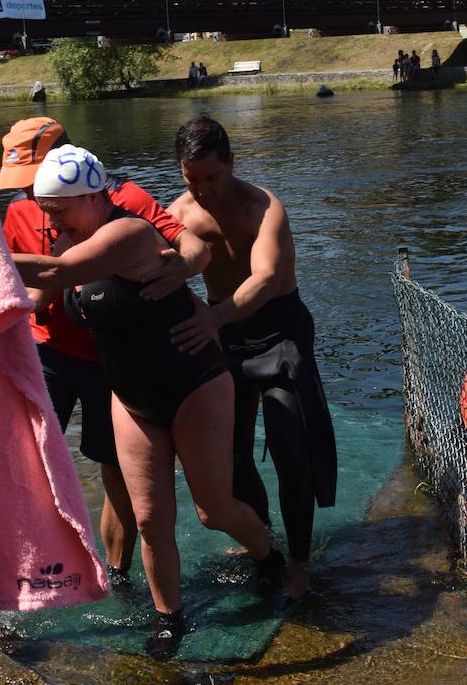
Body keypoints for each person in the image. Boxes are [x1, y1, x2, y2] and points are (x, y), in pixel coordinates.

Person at [14, 145, 283, 660]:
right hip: (131, 395)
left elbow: (52, 275)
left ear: (95, 197)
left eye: (59, 209)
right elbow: (33, 297)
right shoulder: (71, 239)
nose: (51, 221)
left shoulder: (128, 232)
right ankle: (171, 619)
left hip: (194, 381)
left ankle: (269, 555)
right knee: (149, 519)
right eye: (45, 210)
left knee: (212, 509)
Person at [0, 118, 210, 599]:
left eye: (35, 182)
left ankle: (118, 576)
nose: (32, 198)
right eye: (24, 187)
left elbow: (191, 244)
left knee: (117, 469)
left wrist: (184, 268)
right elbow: (32, 289)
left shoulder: (125, 202)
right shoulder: (19, 212)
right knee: (16, 460)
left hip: (107, 360)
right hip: (46, 351)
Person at [167, 116, 337, 599]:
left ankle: (300, 560)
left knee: (290, 446)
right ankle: (260, 537)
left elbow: (265, 277)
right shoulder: (177, 214)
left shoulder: (264, 208)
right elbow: (151, 270)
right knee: (232, 453)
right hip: (224, 334)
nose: (202, 190)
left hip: (280, 329)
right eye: (191, 179)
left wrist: (211, 320)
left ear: (231, 164)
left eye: (212, 178)